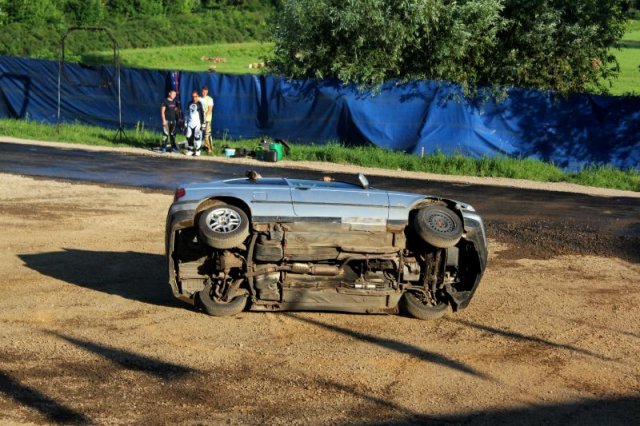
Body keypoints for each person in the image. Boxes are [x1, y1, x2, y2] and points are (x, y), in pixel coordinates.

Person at [185, 90, 205, 156]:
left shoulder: (200, 103)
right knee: (188, 136)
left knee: (197, 137)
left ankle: (197, 150)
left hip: (197, 123)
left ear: (198, 96)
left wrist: (203, 124)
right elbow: (187, 113)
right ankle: (190, 150)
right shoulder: (189, 103)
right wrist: (185, 122)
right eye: (193, 96)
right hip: (190, 123)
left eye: (195, 96)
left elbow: (203, 114)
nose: (194, 98)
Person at [200, 86, 214, 153]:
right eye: (203, 91)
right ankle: (202, 147)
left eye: (206, 91)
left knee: (207, 134)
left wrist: (205, 118)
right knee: (199, 134)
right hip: (199, 120)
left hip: (207, 120)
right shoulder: (199, 99)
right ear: (201, 91)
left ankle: (210, 149)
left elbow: (210, 110)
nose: (204, 93)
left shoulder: (210, 99)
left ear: (207, 92)